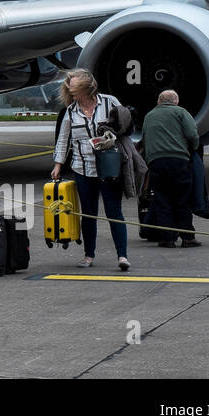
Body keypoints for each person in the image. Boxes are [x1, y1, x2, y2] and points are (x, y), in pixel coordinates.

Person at [51, 68, 130, 270]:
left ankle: (122, 256)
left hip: (109, 167)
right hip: (82, 168)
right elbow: (63, 140)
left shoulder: (110, 102)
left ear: (87, 87)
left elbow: (126, 125)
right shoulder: (70, 111)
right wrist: (58, 164)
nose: (71, 92)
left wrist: (112, 134)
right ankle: (89, 255)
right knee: (88, 213)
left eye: (75, 88)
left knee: (114, 212)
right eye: (70, 88)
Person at [140, 89, 202, 248]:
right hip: (178, 160)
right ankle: (187, 237)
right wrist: (192, 149)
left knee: (162, 200)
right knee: (183, 199)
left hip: (156, 162)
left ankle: (167, 238)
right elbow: (192, 134)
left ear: (159, 101)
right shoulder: (181, 112)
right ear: (176, 101)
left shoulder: (149, 115)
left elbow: (145, 139)